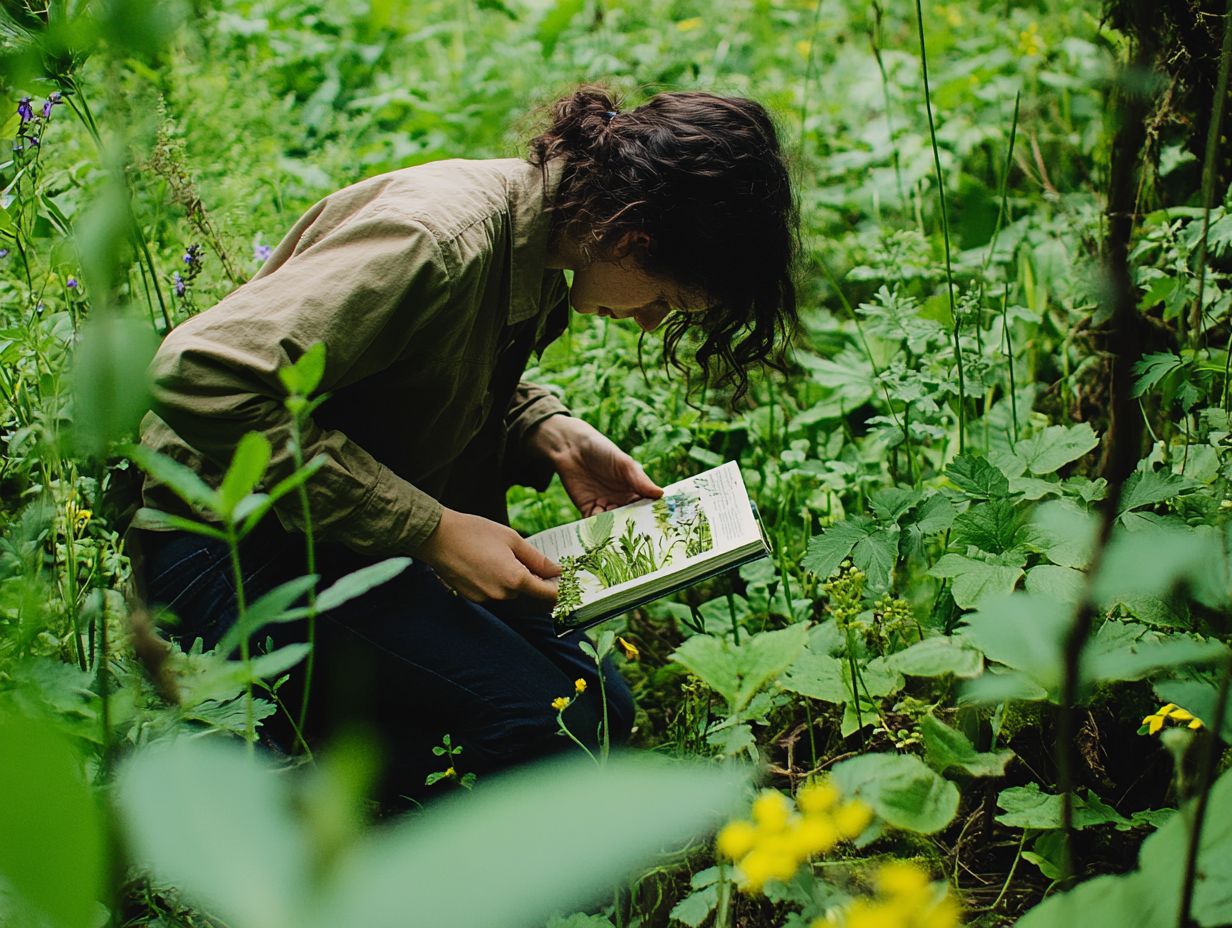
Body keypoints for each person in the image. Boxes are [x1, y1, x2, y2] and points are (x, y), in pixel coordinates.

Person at [131, 85, 798, 802]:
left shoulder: (555, 239)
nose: (646, 322)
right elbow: (198, 374)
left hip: (341, 535)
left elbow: (426, 366)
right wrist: (432, 531)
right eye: (663, 300)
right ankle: (316, 822)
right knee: (544, 732)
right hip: (220, 545)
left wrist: (549, 431)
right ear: (632, 236)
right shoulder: (433, 240)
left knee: (600, 711)